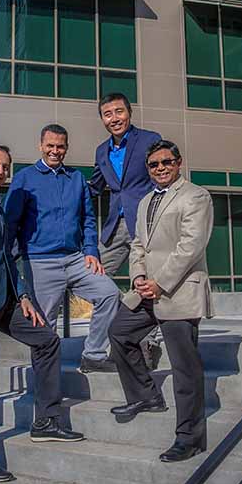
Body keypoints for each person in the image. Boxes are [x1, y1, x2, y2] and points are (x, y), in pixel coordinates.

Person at [0, 144, 84, 484]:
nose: (0, 171)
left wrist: (22, 294)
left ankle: (46, 421)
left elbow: (7, 255)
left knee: (47, 339)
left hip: (4, 301)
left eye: (5, 166)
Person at [108, 140, 214, 463]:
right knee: (119, 332)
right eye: (153, 165)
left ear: (178, 162)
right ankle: (146, 396)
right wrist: (139, 276)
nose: (160, 169)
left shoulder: (196, 196)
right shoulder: (143, 203)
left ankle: (189, 438)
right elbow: (139, 244)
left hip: (178, 291)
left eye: (166, 162)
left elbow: (191, 246)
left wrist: (160, 282)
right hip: (147, 291)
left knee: (184, 369)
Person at [4, 124, 121, 374]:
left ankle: (94, 354)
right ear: (41, 145)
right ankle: (45, 386)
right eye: (50, 146)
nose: (55, 151)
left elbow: (88, 219)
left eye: (60, 146)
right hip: (39, 262)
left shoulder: (76, 178)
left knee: (109, 293)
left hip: (76, 259)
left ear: (66, 147)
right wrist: (15, 261)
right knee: (45, 326)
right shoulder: (24, 178)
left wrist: (91, 250)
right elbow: (10, 223)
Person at [88, 93, 163, 368]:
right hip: (114, 225)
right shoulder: (101, 151)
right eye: (108, 114)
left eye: (119, 112)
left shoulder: (148, 139)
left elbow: (161, 173)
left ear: (129, 113)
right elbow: (95, 186)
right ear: (102, 119)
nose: (114, 118)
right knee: (94, 278)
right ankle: (129, 314)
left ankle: (150, 340)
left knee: (145, 281)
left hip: (144, 221)